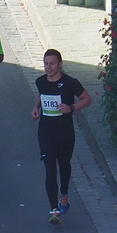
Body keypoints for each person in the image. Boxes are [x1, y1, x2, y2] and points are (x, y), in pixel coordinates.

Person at [32, 47, 91, 223]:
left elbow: (87, 99)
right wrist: (36, 107)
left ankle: (64, 193)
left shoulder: (70, 83)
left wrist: (71, 108)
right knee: (50, 169)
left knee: (64, 166)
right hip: (46, 132)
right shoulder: (40, 81)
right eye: (46, 64)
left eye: (52, 64)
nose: (48, 67)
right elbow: (42, 96)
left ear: (59, 64)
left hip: (65, 133)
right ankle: (54, 210)